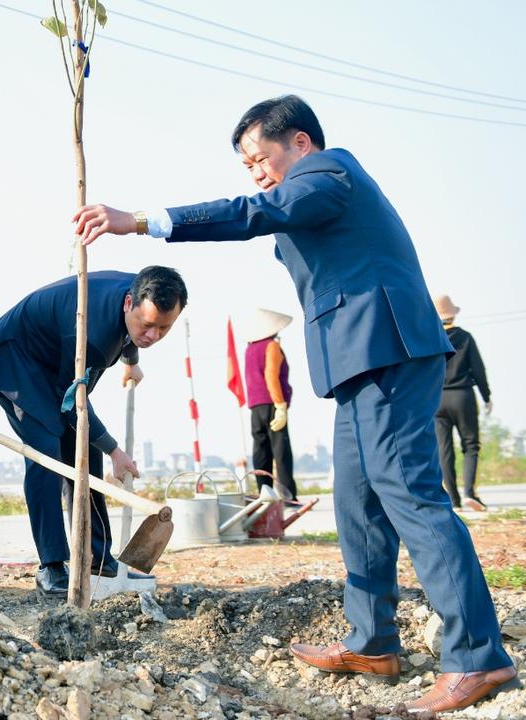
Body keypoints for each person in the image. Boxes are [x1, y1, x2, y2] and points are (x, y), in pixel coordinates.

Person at [73, 95, 517, 713]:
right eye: (247, 164)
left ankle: (479, 658)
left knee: (412, 496)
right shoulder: (309, 192)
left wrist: (143, 221)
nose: (256, 171)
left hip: (387, 349)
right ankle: (373, 641)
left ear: (300, 143)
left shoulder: (328, 172)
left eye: (261, 156)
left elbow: (255, 212)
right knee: (357, 504)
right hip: (358, 362)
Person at [0, 267, 186, 597]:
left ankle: (98, 560)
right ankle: (52, 567)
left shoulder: (149, 287)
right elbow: (71, 403)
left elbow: (130, 334)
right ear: (129, 302)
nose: (153, 335)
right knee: (48, 452)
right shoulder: (96, 337)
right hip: (14, 358)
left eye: (164, 328)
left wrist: (131, 359)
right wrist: (114, 451)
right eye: (146, 325)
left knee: (84, 451)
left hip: (53, 360)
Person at [433, 294, 493, 512]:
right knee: (470, 445)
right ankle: (470, 493)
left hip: (437, 399)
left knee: (444, 449)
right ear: (452, 315)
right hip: (463, 396)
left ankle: (454, 499)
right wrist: (486, 396)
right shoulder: (465, 337)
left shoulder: (431, 340)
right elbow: (479, 370)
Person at [243, 308, 297, 501]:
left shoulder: (249, 349)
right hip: (272, 403)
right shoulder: (272, 346)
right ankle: (288, 496)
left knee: (261, 451)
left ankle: (264, 495)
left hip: (255, 406)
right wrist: (280, 405)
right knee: (281, 451)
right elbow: (270, 376)